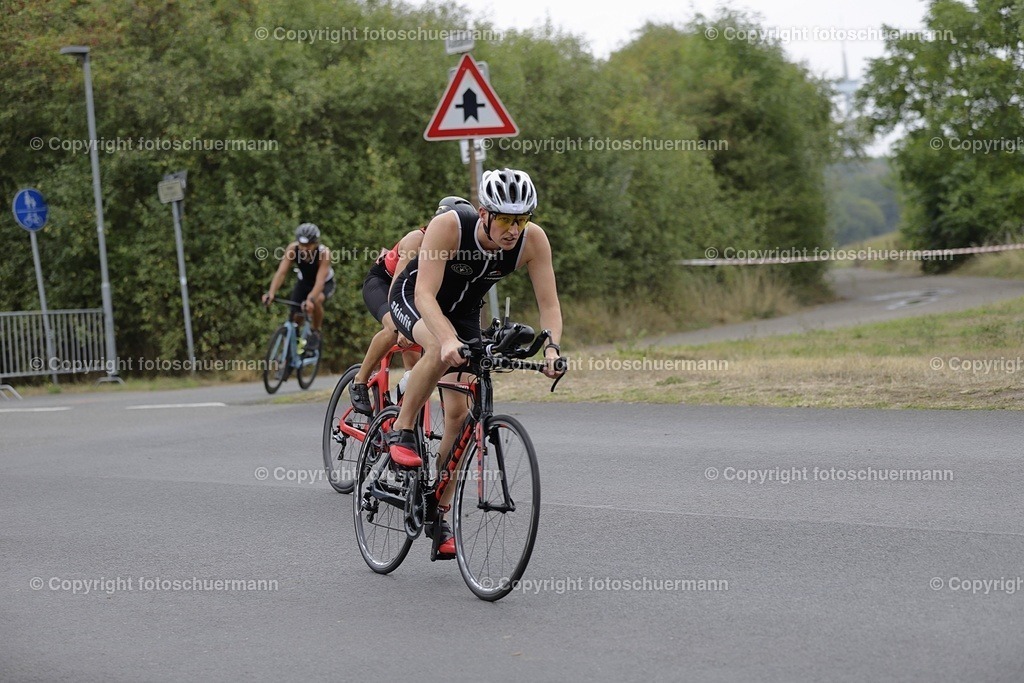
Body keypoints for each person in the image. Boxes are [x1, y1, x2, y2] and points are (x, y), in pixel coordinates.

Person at [386, 168, 564, 558]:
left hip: (466, 312)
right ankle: (400, 430)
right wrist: (446, 338)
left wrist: (551, 348)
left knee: (460, 414)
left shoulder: (533, 241)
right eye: (505, 218)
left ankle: (439, 512)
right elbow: (425, 293)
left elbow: (549, 304)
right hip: (417, 300)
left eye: (521, 219)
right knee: (435, 347)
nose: (513, 229)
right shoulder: (450, 226)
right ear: (484, 213)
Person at [350, 197, 475, 415]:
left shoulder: (457, 247)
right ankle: (360, 380)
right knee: (393, 328)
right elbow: (397, 288)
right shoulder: (416, 240)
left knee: (417, 365)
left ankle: (396, 407)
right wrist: (401, 324)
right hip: (385, 283)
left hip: (416, 292)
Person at [261, 223, 335, 352]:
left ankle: (315, 331)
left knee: (315, 301)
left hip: (323, 284)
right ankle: (292, 348)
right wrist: (271, 293)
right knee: (295, 316)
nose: (304, 249)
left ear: (316, 243)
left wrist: (310, 299)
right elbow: (281, 273)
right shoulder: (292, 249)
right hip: (304, 282)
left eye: (308, 246)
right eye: (302, 245)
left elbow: (319, 282)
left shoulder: (324, 253)